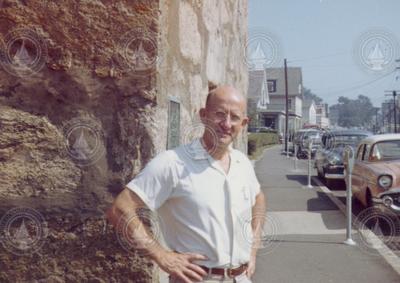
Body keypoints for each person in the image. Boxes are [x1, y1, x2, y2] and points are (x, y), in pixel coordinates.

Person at [107, 85, 266, 283]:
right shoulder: (173, 163)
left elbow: (258, 199)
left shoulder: (243, 164)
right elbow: (120, 209)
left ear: (243, 123)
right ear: (203, 115)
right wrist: (162, 256)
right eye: (219, 114)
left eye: (234, 117)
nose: (226, 123)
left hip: (241, 278)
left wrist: (253, 248)